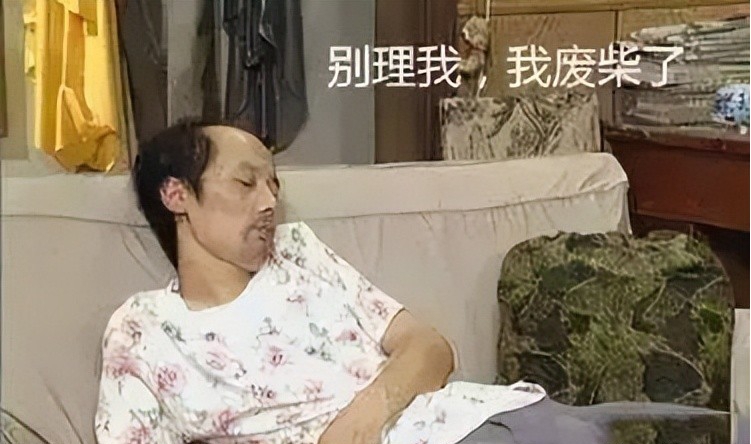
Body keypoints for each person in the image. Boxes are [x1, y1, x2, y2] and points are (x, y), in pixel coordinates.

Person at [95, 120, 724, 444]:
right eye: (245, 182)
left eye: (274, 184)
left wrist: (363, 418)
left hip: (470, 426)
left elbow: (429, 348)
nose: (268, 202)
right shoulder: (144, 330)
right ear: (176, 195)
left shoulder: (298, 254)